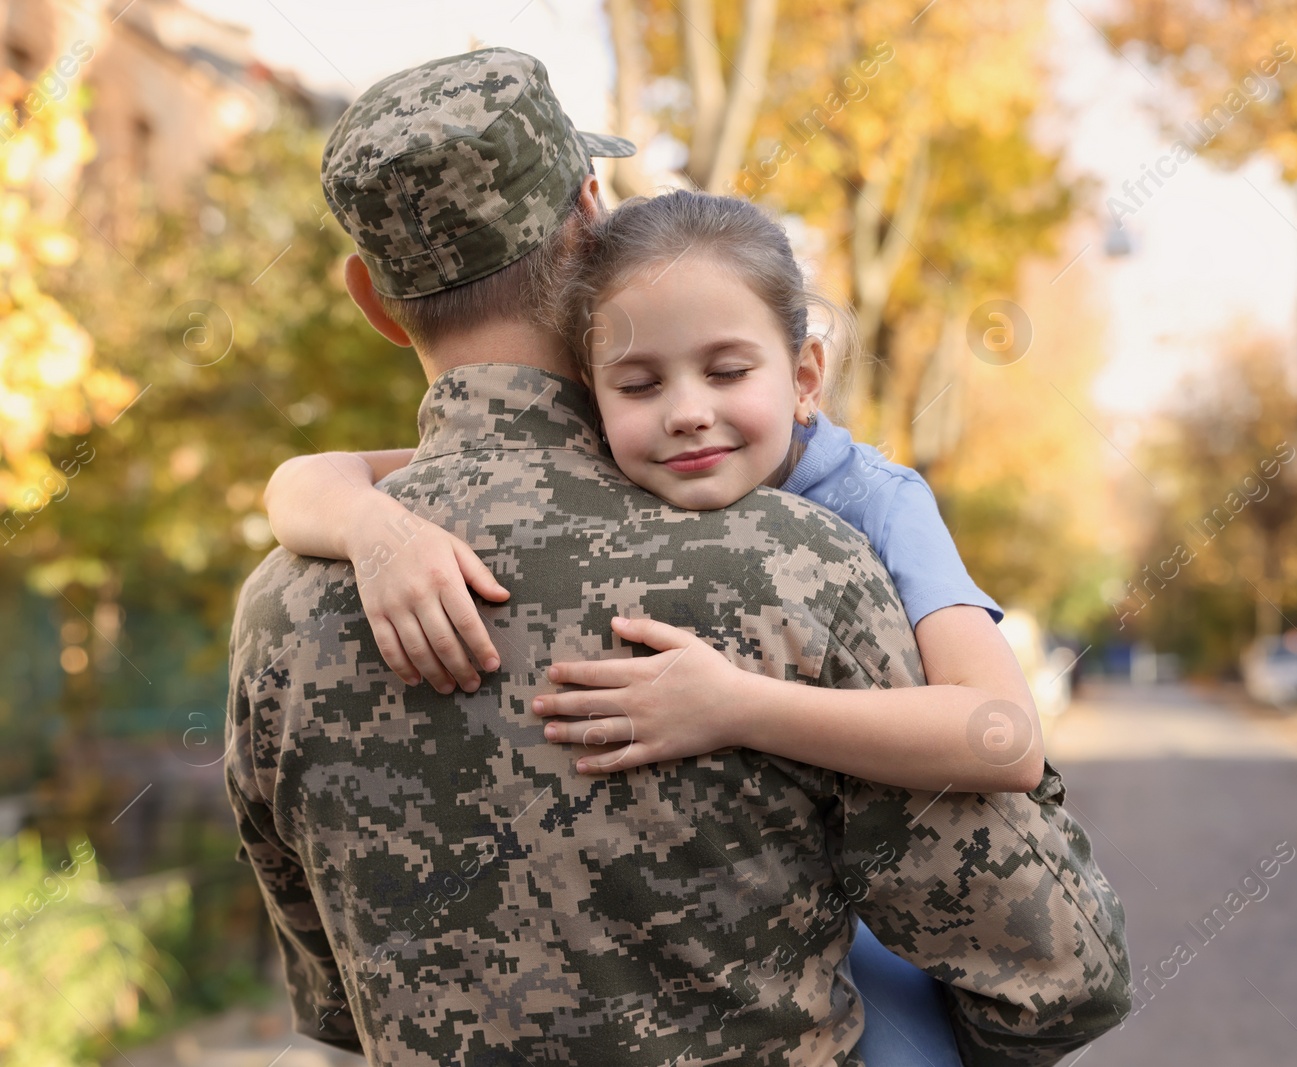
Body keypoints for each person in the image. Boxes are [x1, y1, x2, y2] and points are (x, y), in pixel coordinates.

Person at [226, 47, 1132, 1066]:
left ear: (370, 297)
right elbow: (1060, 972)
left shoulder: (283, 603)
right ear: (590, 221)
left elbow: (337, 1003)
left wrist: (366, 524)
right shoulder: (796, 566)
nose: (690, 407)